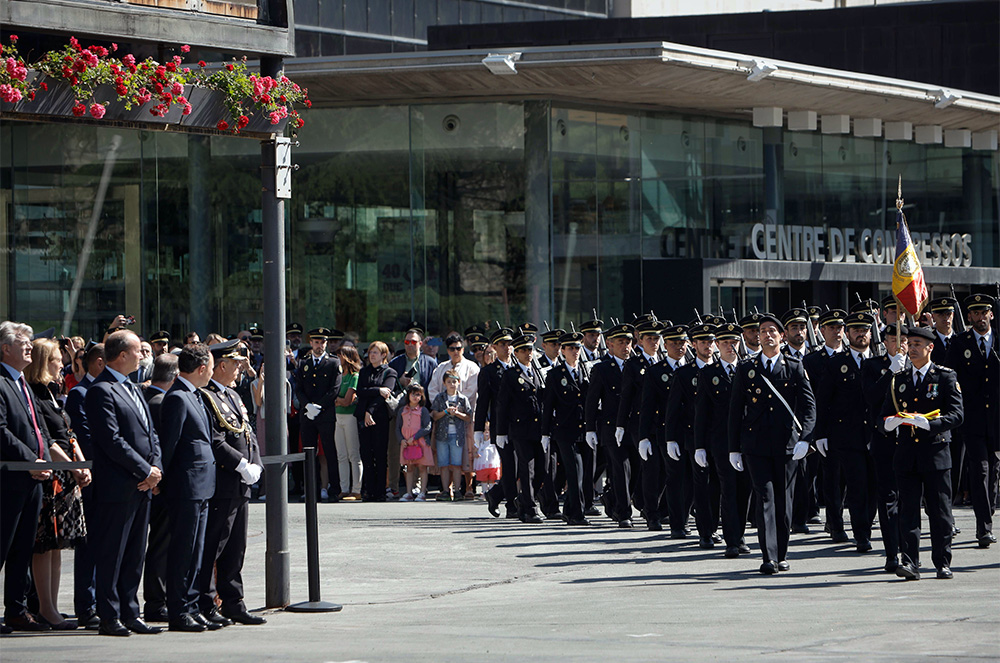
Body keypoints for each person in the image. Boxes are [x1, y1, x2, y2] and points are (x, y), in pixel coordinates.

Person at [84, 329, 162, 636]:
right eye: (137, 351)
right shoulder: (101, 390)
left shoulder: (132, 387)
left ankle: (131, 611)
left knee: (134, 554)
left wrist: (155, 468)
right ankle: (109, 615)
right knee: (112, 554)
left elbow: (150, 433)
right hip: (118, 486)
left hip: (142, 485)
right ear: (121, 355)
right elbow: (111, 440)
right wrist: (144, 471)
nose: (142, 355)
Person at [728, 314, 816, 576]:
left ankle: (782, 553)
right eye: (763, 331)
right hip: (755, 445)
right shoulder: (746, 367)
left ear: (782, 336)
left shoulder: (794, 366)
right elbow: (735, 410)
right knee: (764, 497)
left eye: (772, 331)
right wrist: (734, 448)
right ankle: (768, 556)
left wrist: (806, 438)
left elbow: (809, 407)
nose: (767, 335)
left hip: (786, 445)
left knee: (784, 501)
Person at [881, 326, 964, 580]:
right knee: (908, 512)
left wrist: (930, 424)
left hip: (935, 452)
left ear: (930, 347)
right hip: (907, 454)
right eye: (910, 344)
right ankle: (910, 562)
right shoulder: (899, 379)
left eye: (918, 344)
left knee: (939, 511)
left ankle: (942, 562)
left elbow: (957, 415)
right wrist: (889, 424)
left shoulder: (945, 377)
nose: (912, 348)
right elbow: (884, 414)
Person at [198, 340, 265, 626]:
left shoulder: (234, 395)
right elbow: (215, 440)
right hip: (223, 481)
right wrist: (241, 465)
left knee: (236, 547)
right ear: (221, 365)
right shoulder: (206, 396)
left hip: (241, 484)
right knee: (215, 545)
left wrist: (256, 464)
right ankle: (206, 602)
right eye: (235, 364)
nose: (240, 368)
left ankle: (234, 601)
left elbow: (248, 433)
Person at [26, 338, 90, 630]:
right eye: (55, 359)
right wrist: (72, 466)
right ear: (44, 362)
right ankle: (45, 608)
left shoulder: (52, 393)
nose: (61, 363)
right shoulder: (36, 394)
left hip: (65, 475)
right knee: (44, 545)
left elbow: (68, 433)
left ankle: (51, 606)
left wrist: (79, 463)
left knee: (57, 545)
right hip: (51, 477)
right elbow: (48, 440)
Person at [158, 344, 218, 632]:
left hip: (201, 485)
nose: (212, 373)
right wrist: (161, 480)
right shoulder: (178, 397)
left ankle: (191, 606)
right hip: (186, 486)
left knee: (196, 551)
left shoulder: (194, 395)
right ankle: (179, 610)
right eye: (211, 368)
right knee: (184, 550)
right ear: (202, 368)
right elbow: (168, 444)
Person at [1, 321, 53, 633]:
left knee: (23, 548)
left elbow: (38, 429)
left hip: (33, 479)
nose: (29, 347)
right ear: (5, 348)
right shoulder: (1, 382)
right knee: (3, 544)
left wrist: (44, 459)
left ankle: (16, 610)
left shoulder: (23, 383)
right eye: (23, 343)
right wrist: (30, 460)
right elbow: (1, 431)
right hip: (10, 479)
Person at [814, 311, 877, 551]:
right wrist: (820, 434)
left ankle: (867, 524)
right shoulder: (835, 364)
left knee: (874, 487)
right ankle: (862, 535)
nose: (861, 334)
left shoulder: (880, 363)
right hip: (847, 436)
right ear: (848, 334)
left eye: (865, 330)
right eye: (856, 330)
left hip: (876, 435)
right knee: (857, 486)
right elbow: (823, 401)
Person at [694, 323, 751, 558]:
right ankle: (732, 540)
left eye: (734, 342)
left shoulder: (749, 369)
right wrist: (699, 446)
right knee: (728, 489)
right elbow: (701, 413)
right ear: (717, 345)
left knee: (745, 490)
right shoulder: (709, 373)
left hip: (747, 440)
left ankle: (740, 534)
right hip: (721, 442)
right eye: (725, 342)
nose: (730, 346)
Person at [946, 294, 998, 549]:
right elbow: (950, 379)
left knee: (994, 473)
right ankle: (983, 527)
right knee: (980, 471)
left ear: (991, 314)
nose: (980, 318)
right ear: (969, 317)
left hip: (997, 419)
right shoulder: (959, 343)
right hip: (973, 418)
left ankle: (988, 513)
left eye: (984, 312)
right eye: (975, 313)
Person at [667, 323, 720, 548]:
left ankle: (713, 527)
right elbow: (673, 408)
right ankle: (704, 532)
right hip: (693, 436)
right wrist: (671, 438)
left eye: (710, 342)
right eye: (703, 342)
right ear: (694, 345)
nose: (708, 346)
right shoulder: (685, 373)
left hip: (718, 436)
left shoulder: (720, 370)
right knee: (700, 484)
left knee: (717, 485)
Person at [794, 308, 847, 534]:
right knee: (822, 476)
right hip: (821, 425)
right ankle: (832, 523)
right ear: (822, 331)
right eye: (831, 328)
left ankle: (835, 519)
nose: (836, 332)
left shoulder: (853, 357)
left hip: (849, 426)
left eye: (839, 327)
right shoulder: (811, 360)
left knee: (843, 479)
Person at [64, 342, 105, 628]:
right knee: (90, 545)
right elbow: (86, 438)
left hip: (114, 480)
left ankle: (105, 602)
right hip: (94, 478)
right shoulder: (80, 393)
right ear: (100, 362)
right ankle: (86, 605)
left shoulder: (116, 389)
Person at [862, 323, 909, 572]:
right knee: (888, 497)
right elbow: (870, 397)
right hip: (884, 440)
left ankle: (909, 551)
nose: (899, 345)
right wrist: (890, 372)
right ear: (885, 343)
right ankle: (892, 553)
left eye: (904, 341)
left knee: (909, 498)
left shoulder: (917, 366)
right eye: (894, 340)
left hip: (912, 440)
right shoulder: (872, 366)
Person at [638, 323, 689, 535]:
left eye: (682, 342)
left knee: (689, 480)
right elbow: (647, 406)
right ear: (665, 345)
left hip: (690, 431)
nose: (679, 347)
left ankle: (680, 516)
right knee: (667, 476)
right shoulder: (655, 372)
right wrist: (643, 436)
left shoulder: (693, 368)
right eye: (674, 343)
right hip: (664, 431)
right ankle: (660, 517)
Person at [541, 331, 594, 525]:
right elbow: (548, 406)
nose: (575, 351)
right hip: (565, 430)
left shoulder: (586, 370)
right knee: (575, 472)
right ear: (562, 350)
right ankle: (577, 515)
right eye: (570, 348)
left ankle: (569, 509)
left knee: (585, 472)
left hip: (585, 429)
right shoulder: (555, 375)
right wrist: (545, 433)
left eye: (577, 347)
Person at [614, 319, 662, 529]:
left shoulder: (664, 362)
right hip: (641, 423)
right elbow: (626, 396)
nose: (654, 342)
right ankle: (652, 514)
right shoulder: (634, 365)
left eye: (656, 338)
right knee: (651, 469)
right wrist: (620, 425)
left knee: (665, 471)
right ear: (640, 341)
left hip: (663, 423)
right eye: (649, 338)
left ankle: (647, 503)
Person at [142, 352, 178, 623]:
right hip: (160, 485)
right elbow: (162, 447)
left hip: (154, 482)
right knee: (161, 544)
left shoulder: (148, 399)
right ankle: (156, 601)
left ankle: (157, 599)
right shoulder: (160, 403)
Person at [585, 324, 633, 527]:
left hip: (633, 426)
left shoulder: (637, 366)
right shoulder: (602, 369)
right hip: (611, 427)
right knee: (621, 469)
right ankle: (624, 513)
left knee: (635, 471)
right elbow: (592, 400)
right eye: (621, 342)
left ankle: (612, 497)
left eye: (628, 342)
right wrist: (590, 428)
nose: (625, 346)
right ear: (610, 344)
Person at [495, 333, 547, 523]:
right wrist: (501, 432)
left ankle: (523, 500)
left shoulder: (537, 371)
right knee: (527, 469)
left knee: (542, 469)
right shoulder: (511, 375)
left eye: (530, 349)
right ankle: (531, 509)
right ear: (516, 353)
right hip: (520, 429)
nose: (528, 353)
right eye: (523, 350)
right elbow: (503, 405)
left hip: (539, 429)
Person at [428, 334, 480, 498]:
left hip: (465, 415)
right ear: (448, 350)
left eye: (458, 348)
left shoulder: (472, 367)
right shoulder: (441, 367)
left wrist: (457, 405)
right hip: (443, 416)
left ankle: (468, 487)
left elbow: (472, 390)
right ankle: (447, 488)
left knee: (467, 452)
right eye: (452, 349)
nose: (456, 351)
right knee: (445, 455)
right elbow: (432, 389)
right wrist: (443, 406)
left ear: (463, 349)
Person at [294, 328, 342, 502]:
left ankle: (334, 490)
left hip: (325, 414)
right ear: (311, 343)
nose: (319, 345)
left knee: (329, 452)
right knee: (309, 453)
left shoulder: (333, 363)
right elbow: (298, 388)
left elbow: (335, 389)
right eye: (316, 342)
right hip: (308, 414)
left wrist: (319, 406)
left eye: (322, 342)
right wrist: (307, 405)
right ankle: (311, 491)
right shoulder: (303, 363)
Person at [480, 327, 518, 519]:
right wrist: (479, 429)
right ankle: (512, 505)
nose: (507, 348)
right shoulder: (489, 372)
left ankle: (495, 494)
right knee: (510, 466)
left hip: (521, 424)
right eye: (502, 344)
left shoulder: (519, 367)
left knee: (520, 467)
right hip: (501, 425)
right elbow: (483, 403)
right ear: (494, 347)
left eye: (509, 344)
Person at [355, 341, 397, 502]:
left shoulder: (390, 372)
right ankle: (368, 490)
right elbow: (360, 391)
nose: (371, 355)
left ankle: (380, 491)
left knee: (380, 454)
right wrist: (377, 390)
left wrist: (370, 411)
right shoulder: (364, 371)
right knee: (366, 453)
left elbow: (384, 395)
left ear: (383, 355)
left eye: (375, 352)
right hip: (362, 417)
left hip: (379, 417)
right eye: (370, 352)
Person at [430, 372, 472, 501]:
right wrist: (446, 412)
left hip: (457, 435)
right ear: (444, 383)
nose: (452, 384)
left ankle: (457, 490)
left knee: (456, 464)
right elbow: (435, 415)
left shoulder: (463, 399)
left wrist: (457, 413)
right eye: (449, 382)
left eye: (454, 382)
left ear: (459, 383)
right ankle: (445, 491)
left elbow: (468, 417)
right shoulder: (440, 398)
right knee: (444, 464)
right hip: (442, 435)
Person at [333, 346, 363, 501]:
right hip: (337, 417)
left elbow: (347, 401)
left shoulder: (354, 376)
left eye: (340, 355)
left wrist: (337, 400)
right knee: (341, 455)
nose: (338, 358)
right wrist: (338, 401)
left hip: (350, 416)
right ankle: (344, 489)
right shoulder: (338, 375)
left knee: (353, 454)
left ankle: (356, 489)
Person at [397, 384, 434, 501]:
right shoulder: (402, 410)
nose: (415, 397)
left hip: (421, 442)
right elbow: (398, 427)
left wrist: (415, 437)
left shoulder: (423, 410)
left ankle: (422, 492)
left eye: (418, 394)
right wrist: (401, 440)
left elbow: (427, 427)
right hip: (407, 444)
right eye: (412, 394)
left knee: (422, 467)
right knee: (409, 468)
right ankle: (408, 492)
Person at [389, 323, 438, 400]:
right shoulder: (394, 363)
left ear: (420, 344)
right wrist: (400, 382)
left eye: (413, 342)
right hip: (402, 403)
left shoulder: (430, 363)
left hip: (424, 404)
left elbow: (436, 387)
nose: (410, 345)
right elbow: (388, 386)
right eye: (407, 342)